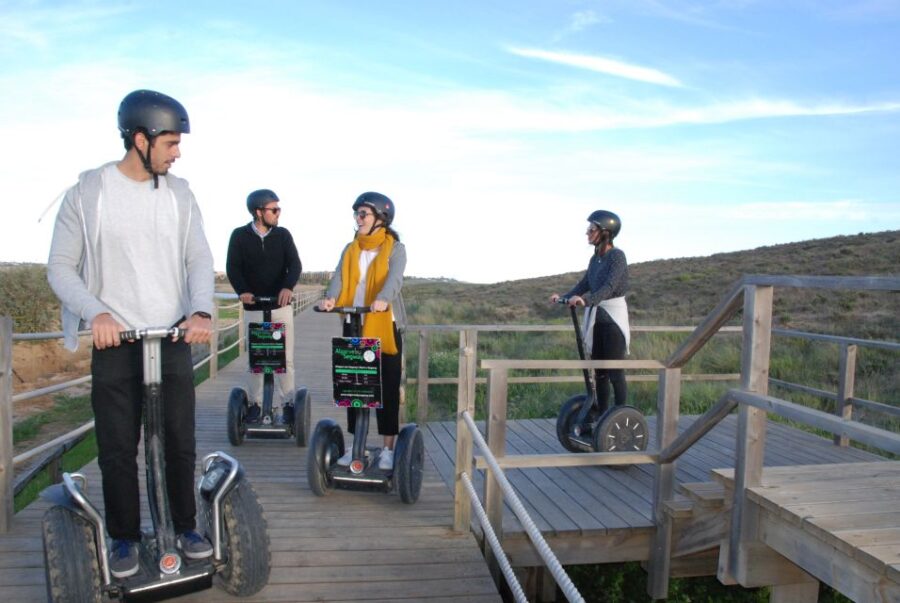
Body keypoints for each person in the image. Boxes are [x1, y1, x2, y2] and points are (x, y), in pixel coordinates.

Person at [47, 89, 215, 578]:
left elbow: (198, 258)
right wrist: (94, 312)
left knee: (179, 441)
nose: (177, 152)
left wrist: (201, 310)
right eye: (170, 142)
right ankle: (123, 537)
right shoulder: (88, 193)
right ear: (140, 139)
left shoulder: (181, 194)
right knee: (118, 447)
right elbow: (60, 266)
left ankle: (184, 526)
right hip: (115, 341)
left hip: (173, 338)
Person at [318, 192, 407, 470]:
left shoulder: (395, 248)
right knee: (352, 386)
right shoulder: (350, 248)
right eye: (357, 214)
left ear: (380, 217)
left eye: (363, 214)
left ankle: (388, 449)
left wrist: (382, 298)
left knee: (387, 388)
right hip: (354, 324)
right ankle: (356, 444)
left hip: (383, 326)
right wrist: (331, 298)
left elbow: (395, 279)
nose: (358, 219)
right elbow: (339, 278)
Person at [226, 189, 303, 422]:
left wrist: (288, 287)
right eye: (273, 209)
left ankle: (288, 403)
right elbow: (233, 267)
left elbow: (295, 264)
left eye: (278, 209)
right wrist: (243, 292)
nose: (278, 213)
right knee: (256, 360)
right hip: (254, 307)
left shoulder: (283, 235)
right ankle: (255, 405)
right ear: (258, 212)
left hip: (280, 307)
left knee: (285, 360)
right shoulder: (239, 236)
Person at [550, 210, 630, 414]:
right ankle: (602, 416)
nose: (587, 233)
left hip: (613, 321)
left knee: (614, 372)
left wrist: (586, 300)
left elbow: (609, 287)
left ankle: (620, 415)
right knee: (600, 372)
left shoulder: (617, 256)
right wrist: (564, 298)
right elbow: (584, 283)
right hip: (597, 322)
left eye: (591, 229)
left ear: (605, 232)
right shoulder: (595, 259)